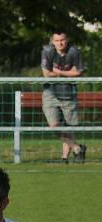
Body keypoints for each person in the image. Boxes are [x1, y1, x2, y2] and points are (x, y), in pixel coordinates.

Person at [41, 31, 86, 163]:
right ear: (52, 41)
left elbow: (78, 72)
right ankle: (77, 148)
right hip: (50, 92)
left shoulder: (74, 52)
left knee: (68, 126)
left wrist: (59, 72)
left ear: (67, 40)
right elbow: (46, 73)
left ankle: (64, 158)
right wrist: (68, 72)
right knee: (54, 126)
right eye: (57, 40)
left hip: (68, 92)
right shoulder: (47, 51)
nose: (60, 43)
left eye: (62, 40)